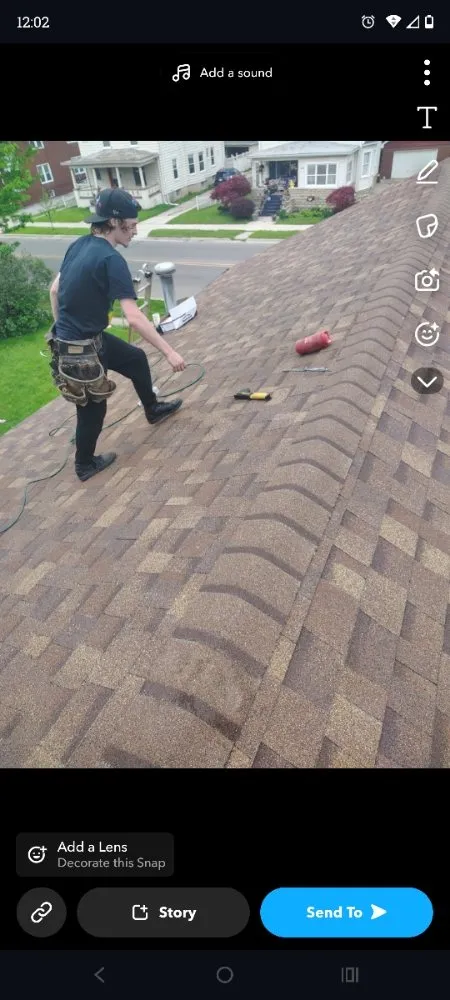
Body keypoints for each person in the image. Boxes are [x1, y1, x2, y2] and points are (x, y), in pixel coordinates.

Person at [48, 188, 185, 482]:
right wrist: (170, 352)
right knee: (92, 410)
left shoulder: (79, 244)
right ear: (113, 222)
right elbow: (134, 318)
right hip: (81, 350)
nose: (135, 231)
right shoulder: (111, 260)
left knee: (134, 359)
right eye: (132, 225)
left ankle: (152, 408)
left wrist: (61, 332)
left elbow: (54, 291)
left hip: (86, 339)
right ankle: (84, 464)